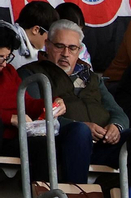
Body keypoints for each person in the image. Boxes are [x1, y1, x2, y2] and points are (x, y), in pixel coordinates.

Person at [20, 20, 123, 179]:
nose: (66, 53)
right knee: (80, 132)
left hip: (102, 145)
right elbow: (35, 116)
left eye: (72, 48)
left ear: (79, 50)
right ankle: (77, 197)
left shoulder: (92, 77)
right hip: (63, 145)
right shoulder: (32, 74)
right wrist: (81, 126)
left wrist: (115, 127)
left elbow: (118, 112)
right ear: (47, 45)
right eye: (59, 46)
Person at [0, 26, 75, 184]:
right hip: (3, 134)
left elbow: (26, 102)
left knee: (47, 144)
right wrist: (10, 118)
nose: (4, 64)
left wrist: (51, 102)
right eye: (0, 58)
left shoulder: (9, 73)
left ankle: (43, 196)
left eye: (7, 58)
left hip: (15, 137)